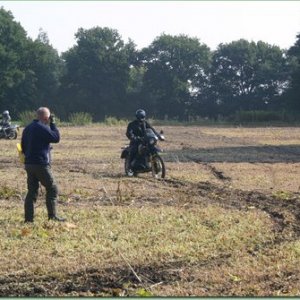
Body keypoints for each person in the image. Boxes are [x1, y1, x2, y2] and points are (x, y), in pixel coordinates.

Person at [21, 107, 66, 223]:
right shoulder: (41, 127)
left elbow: (23, 146)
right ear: (46, 118)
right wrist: (53, 124)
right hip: (40, 164)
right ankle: (52, 216)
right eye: (49, 118)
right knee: (52, 188)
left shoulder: (28, 128)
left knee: (32, 191)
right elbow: (56, 138)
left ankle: (28, 219)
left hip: (29, 164)